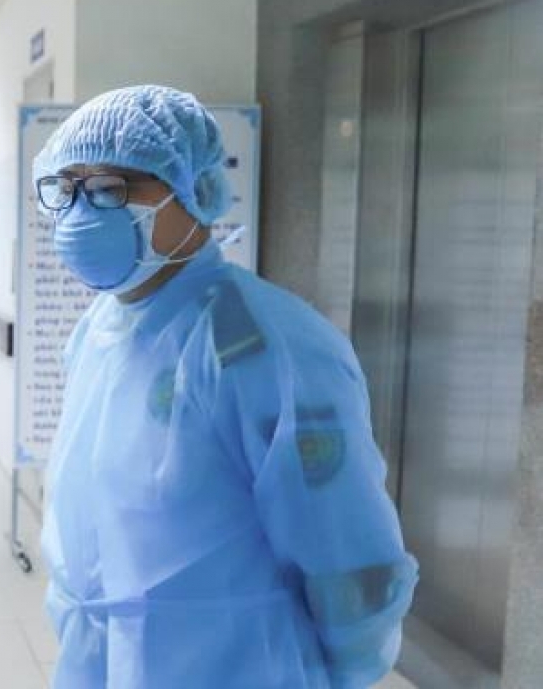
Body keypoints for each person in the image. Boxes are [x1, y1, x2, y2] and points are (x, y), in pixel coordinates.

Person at [34, 86, 418, 688]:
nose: (81, 213)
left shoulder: (262, 345)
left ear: (197, 192)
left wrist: (344, 665)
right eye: (67, 189)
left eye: (109, 189)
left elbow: (347, 547)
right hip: (104, 665)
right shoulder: (102, 331)